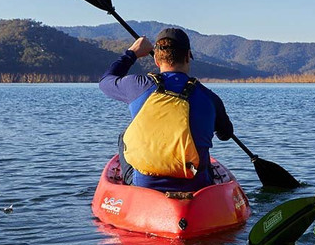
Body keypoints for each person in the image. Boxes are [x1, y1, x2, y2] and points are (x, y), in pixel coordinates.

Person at [99, 27, 234, 192]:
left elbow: (106, 81)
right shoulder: (210, 98)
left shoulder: (138, 85)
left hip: (145, 186)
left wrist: (132, 53)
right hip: (197, 188)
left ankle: (134, 187)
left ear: (156, 60)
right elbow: (225, 134)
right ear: (187, 56)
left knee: (124, 135)